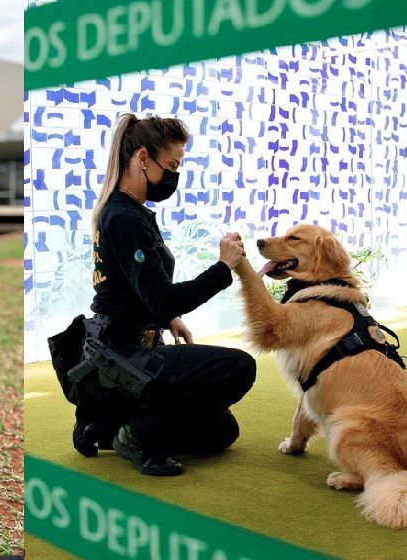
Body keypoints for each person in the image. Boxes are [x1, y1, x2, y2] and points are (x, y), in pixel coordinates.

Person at [59, 113, 256, 476]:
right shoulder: (124, 217)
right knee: (240, 367)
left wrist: (168, 320)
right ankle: (135, 432)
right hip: (119, 355)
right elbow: (163, 296)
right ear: (143, 158)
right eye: (172, 165)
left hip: (129, 349)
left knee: (220, 432)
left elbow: (135, 289)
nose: (174, 176)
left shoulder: (130, 212)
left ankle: (105, 422)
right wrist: (223, 268)